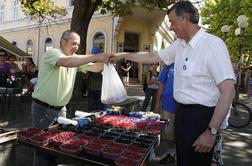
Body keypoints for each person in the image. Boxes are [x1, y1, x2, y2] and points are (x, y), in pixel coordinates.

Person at [109, 1, 235, 166]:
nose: (170, 27)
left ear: (186, 19)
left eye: (172, 22)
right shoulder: (179, 45)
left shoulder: (213, 45)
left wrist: (211, 131)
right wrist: (122, 55)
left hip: (202, 118)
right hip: (181, 113)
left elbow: (228, 90)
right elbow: (152, 57)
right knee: (183, 160)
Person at [31, 30, 108, 166]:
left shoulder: (75, 60)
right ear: (62, 42)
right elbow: (67, 62)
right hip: (42, 109)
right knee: (42, 146)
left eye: (78, 44)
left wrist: (108, 62)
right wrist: (96, 56)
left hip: (61, 109)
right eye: (73, 43)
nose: (76, 47)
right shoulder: (53, 53)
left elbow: (94, 68)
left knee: (57, 145)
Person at [155, 63, 176, 164]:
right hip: (168, 104)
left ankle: (178, 153)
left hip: (186, 106)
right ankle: (172, 152)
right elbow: (161, 84)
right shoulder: (168, 65)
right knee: (168, 133)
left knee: (183, 132)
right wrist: (157, 102)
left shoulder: (191, 60)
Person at [87, 47, 105, 111]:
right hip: (92, 88)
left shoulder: (101, 64)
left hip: (99, 88)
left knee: (99, 106)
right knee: (93, 106)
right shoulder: (90, 63)